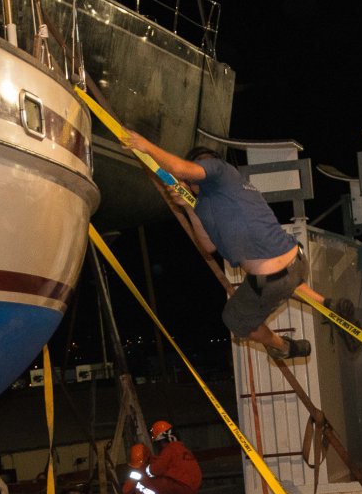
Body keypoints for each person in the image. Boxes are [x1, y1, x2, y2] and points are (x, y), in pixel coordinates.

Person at [121, 132, 349, 361]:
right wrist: (188, 207)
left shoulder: (219, 169)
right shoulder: (212, 202)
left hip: (270, 279)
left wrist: (146, 146)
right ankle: (328, 304)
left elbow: (180, 169)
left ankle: (284, 347)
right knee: (284, 281)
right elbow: (209, 246)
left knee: (234, 319)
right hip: (296, 263)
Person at [122, 420, 203, 494]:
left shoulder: (169, 450)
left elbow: (156, 470)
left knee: (142, 484)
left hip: (179, 489)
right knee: (164, 489)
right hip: (192, 492)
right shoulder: (184, 450)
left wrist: (145, 472)